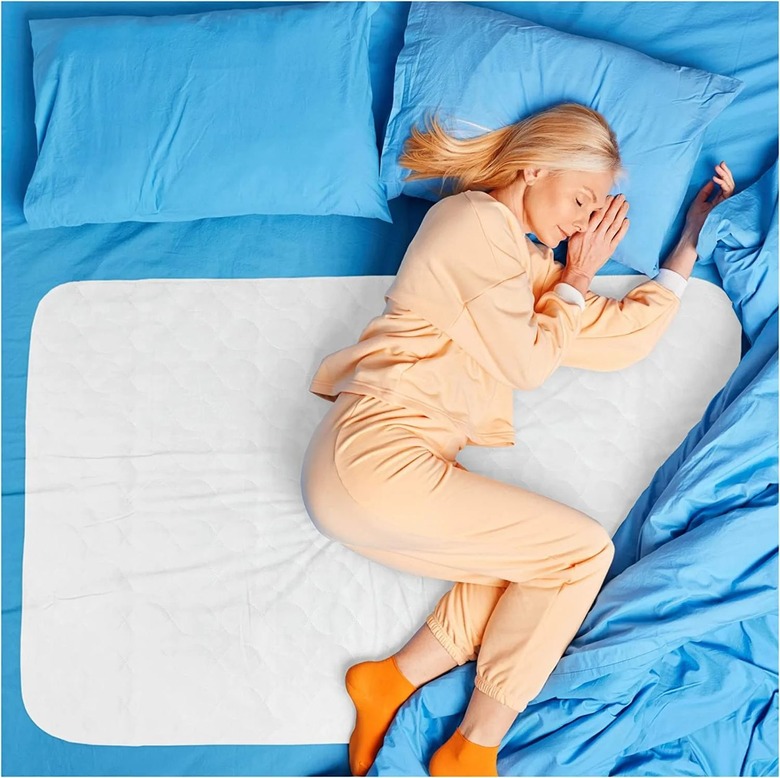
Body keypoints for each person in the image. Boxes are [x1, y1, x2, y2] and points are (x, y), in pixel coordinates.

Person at [299, 102, 735, 777]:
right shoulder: (472, 223)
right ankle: (475, 746)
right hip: (374, 456)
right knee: (580, 554)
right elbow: (530, 361)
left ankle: (391, 681)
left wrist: (686, 244)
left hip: (376, 474)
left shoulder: (518, 268)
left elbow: (613, 339)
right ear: (533, 166)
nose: (586, 221)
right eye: (582, 197)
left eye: (598, 210)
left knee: (536, 564)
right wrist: (578, 276)